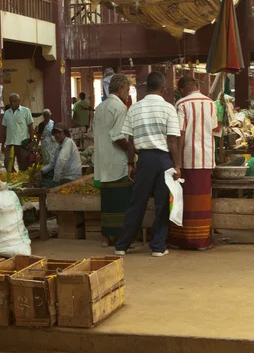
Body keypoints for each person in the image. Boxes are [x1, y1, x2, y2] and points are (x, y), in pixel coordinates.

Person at [114, 71, 181, 258]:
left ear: (145, 87)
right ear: (163, 88)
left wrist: (130, 163)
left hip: (143, 160)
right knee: (161, 204)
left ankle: (122, 245)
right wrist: (177, 165)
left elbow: (130, 140)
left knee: (137, 203)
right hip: (163, 161)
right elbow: (173, 141)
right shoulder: (169, 108)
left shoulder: (134, 108)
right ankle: (158, 247)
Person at [168, 76, 219, 251]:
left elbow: (179, 134)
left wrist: (177, 161)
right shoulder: (211, 103)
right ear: (197, 86)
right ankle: (201, 241)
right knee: (202, 200)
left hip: (187, 160)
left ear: (181, 89)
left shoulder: (181, 104)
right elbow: (214, 128)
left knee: (185, 200)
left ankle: (183, 239)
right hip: (205, 159)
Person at [93, 74, 133, 247]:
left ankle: (105, 237)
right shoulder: (120, 107)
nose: (128, 93)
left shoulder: (100, 107)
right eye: (127, 90)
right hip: (117, 161)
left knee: (107, 200)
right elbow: (117, 136)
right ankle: (121, 237)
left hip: (102, 161)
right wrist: (132, 151)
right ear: (120, 88)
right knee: (121, 200)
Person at [38, 123, 82, 188]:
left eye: (59, 132)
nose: (57, 135)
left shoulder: (68, 142)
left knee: (46, 186)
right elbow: (52, 163)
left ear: (65, 133)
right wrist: (42, 171)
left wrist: (56, 180)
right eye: (55, 133)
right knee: (46, 175)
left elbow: (61, 160)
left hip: (71, 177)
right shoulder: (59, 147)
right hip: (64, 176)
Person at [1, 93, 34, 172]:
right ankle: (14, 176)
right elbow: (4, 129)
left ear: (19, 101)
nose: (13, 103)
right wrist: (2, 144)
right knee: (7, 163)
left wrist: (32, 140)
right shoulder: (7, 113)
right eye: (11, 101)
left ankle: (23, 180)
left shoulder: (26, 111)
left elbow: (30, 126)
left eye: (15, 101)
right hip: (9, 143)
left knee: (23, 165)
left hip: (22, 143)